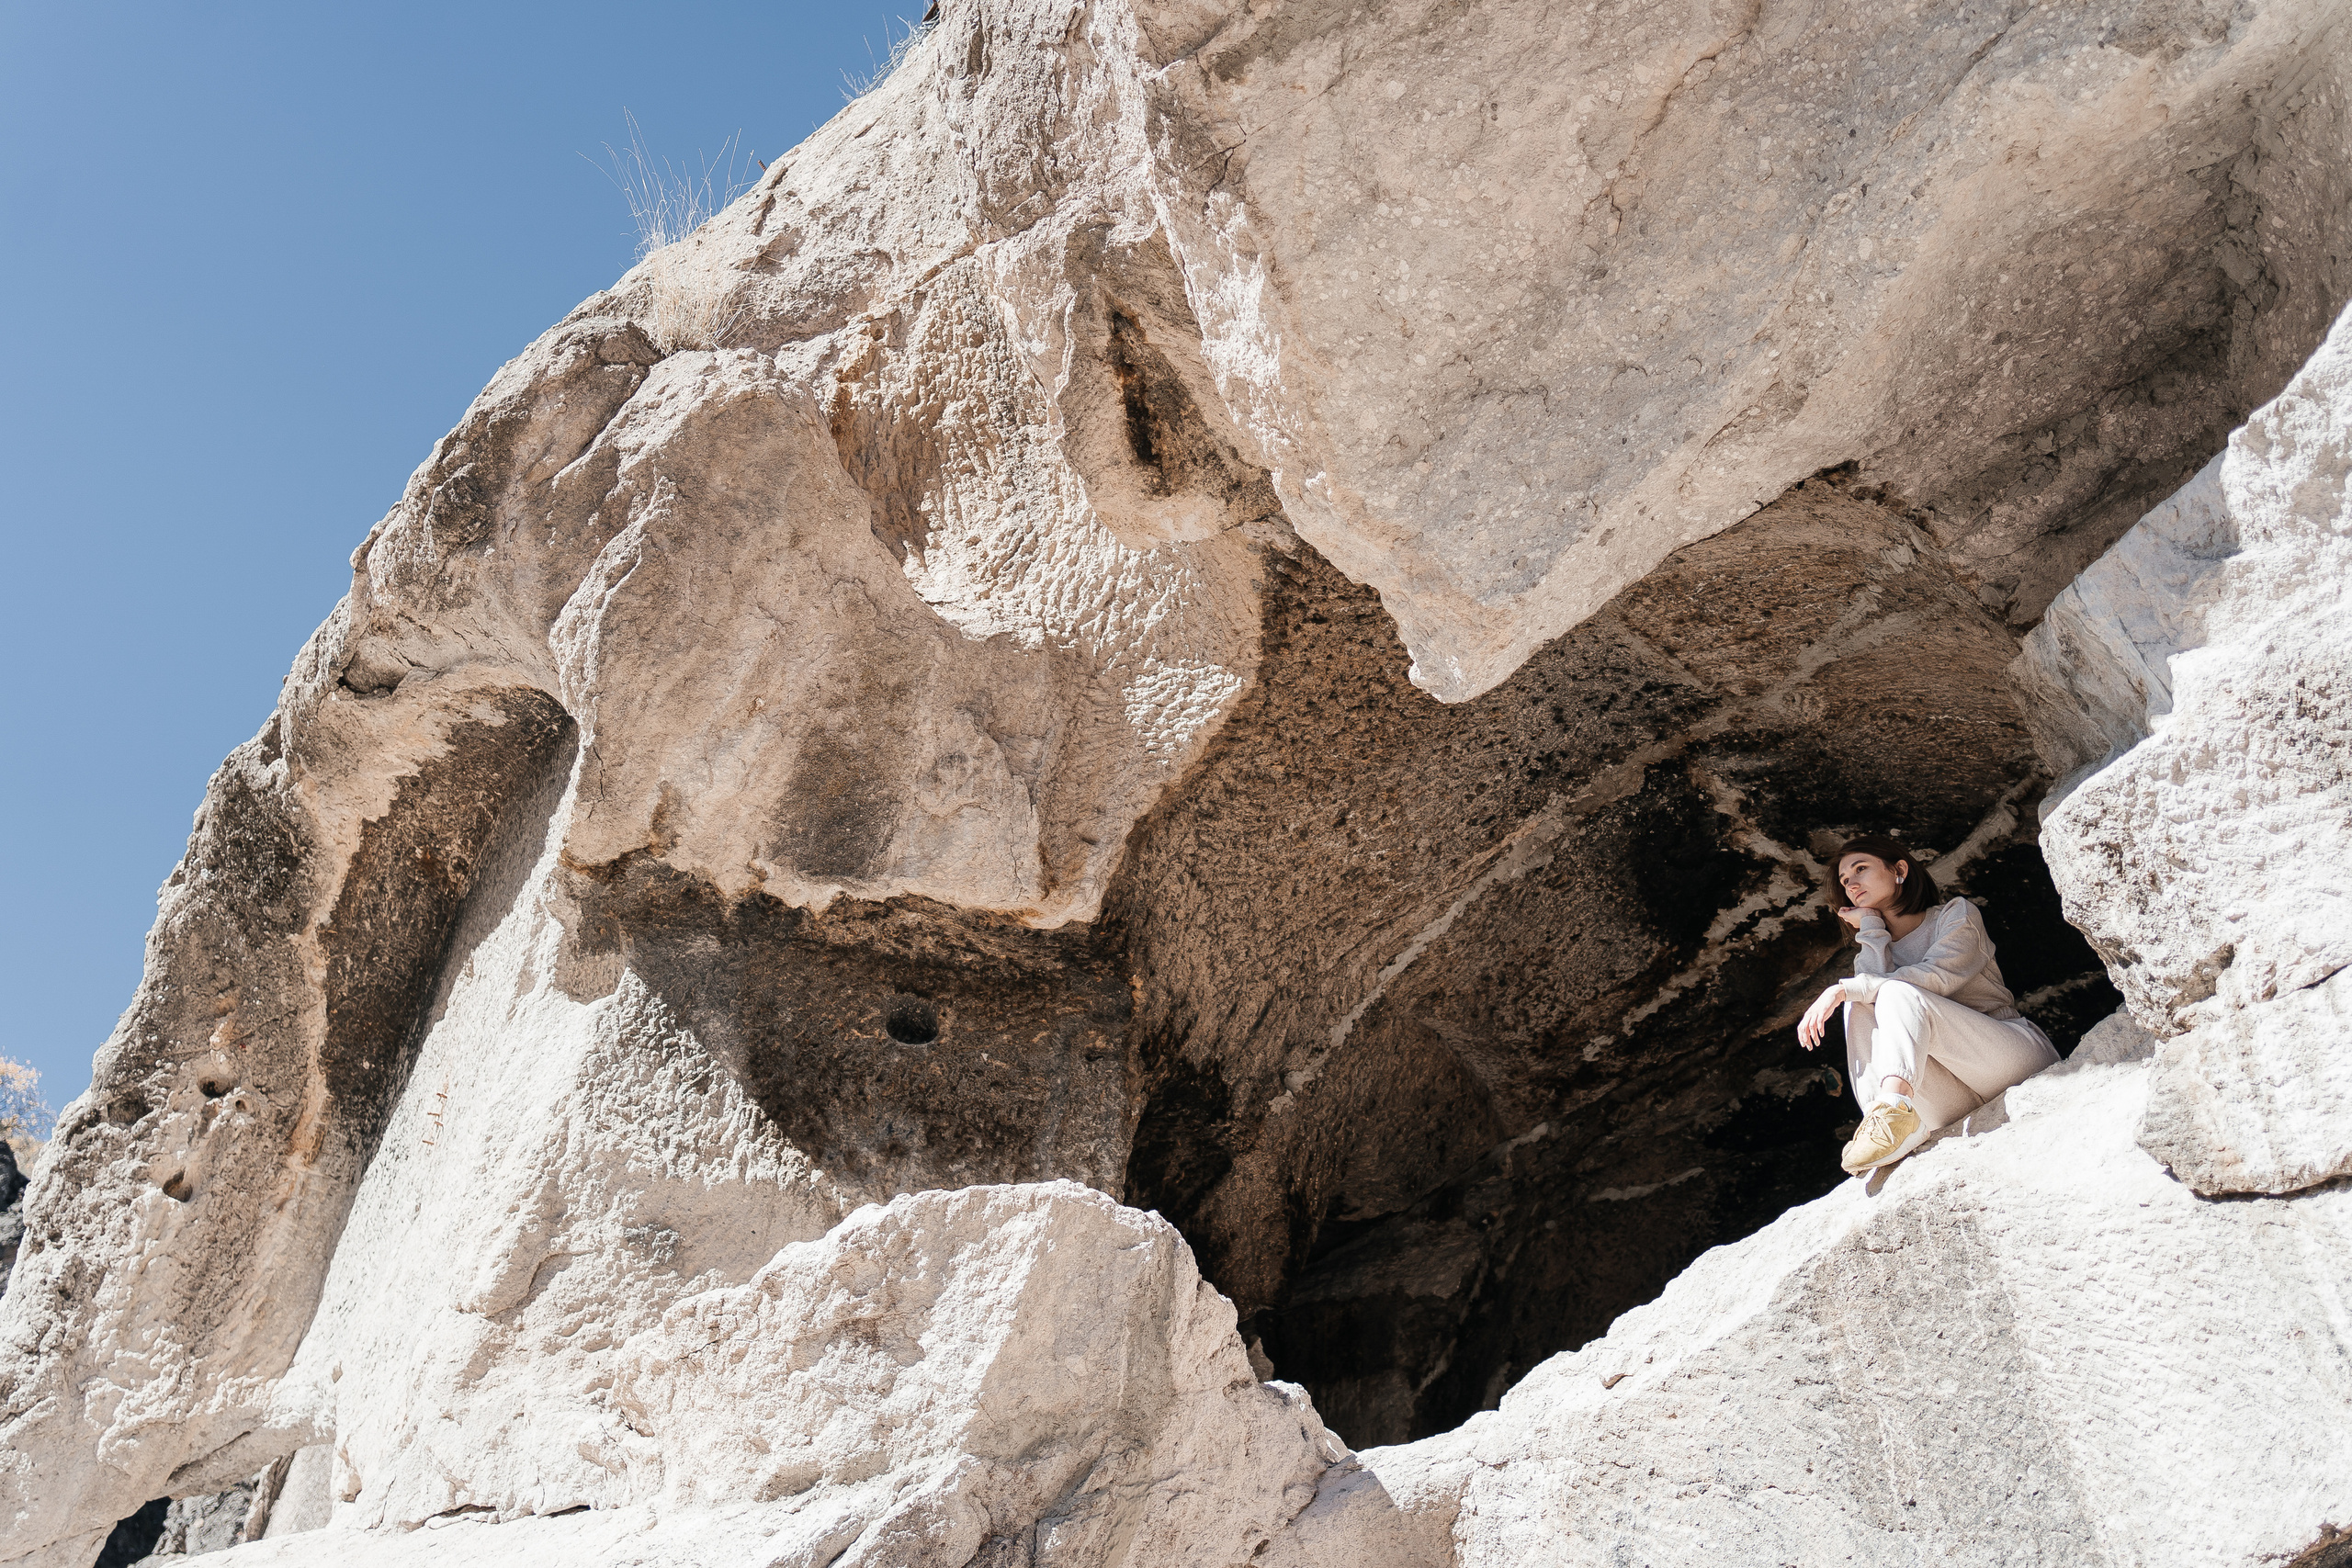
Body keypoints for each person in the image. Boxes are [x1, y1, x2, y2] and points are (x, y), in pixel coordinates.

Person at [1795, 833, 2058, 1175]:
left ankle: (1892, 1107)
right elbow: (1868, 991)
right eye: (1845, 881)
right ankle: (1889, 1122)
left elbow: (1937, 977)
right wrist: (1873, 930)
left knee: (1885, 992)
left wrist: (1841, 989)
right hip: (1949, 1097)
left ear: (1899, 869)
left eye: (1861, 868)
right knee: (1860, 1005)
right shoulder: (1874, 953)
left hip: (2007, 1057)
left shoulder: (1955, 915)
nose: (1852, 884)